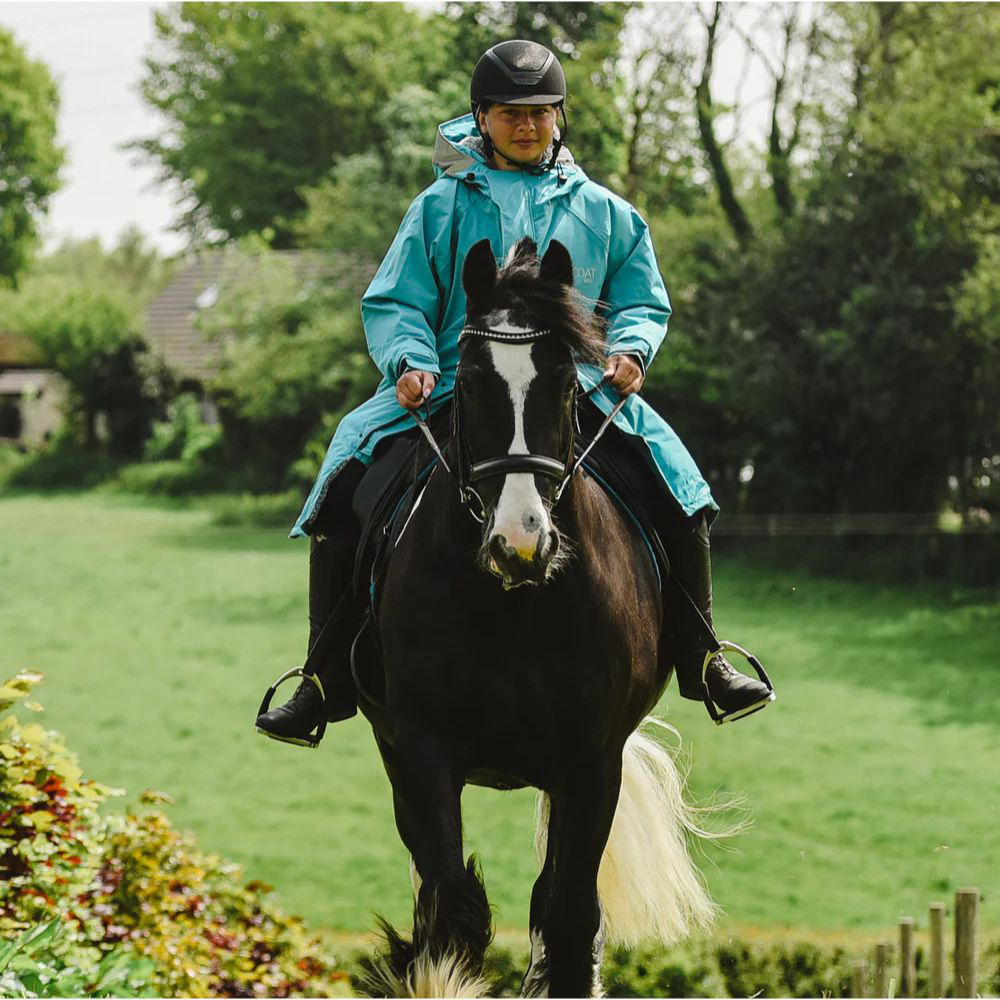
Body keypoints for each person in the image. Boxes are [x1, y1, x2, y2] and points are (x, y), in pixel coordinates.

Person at [256, 39, 773, 747]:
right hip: (451, 383)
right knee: (346, 478)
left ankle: (705, 658)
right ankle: (321, 680)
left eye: (539, 112)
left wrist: (630, 349)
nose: (526, 126)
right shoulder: (437, 208)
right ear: (481, 117)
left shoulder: (607, 213)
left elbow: (641, 298)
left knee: (680, 485)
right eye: (509, 113)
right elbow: (397, 299)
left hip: (573, 384)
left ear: (559, 116)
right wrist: (409, 360)